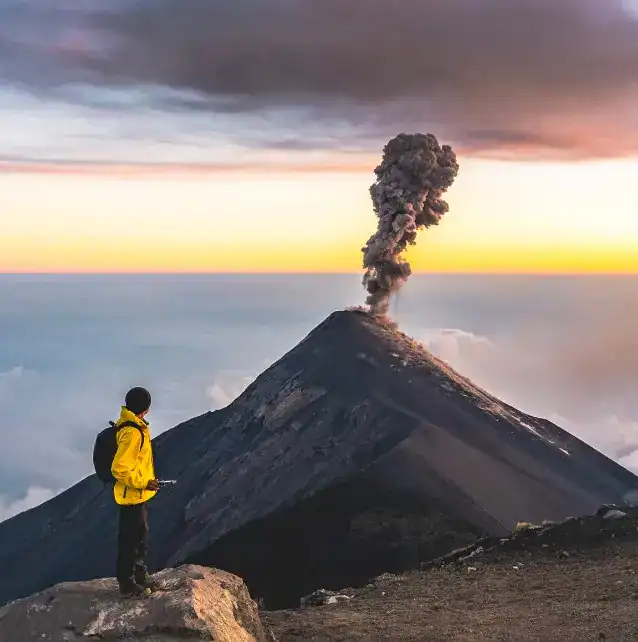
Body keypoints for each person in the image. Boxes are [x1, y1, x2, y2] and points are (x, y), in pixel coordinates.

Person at [111, 386, 161, 598]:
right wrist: (143, 483)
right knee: (130, 541)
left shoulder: (136, 426)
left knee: (139, 537)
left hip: (138, 494)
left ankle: (139, 575)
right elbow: (119, 468)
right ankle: (127, 584)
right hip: (132, 495)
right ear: (146, 409)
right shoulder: (132, 432)